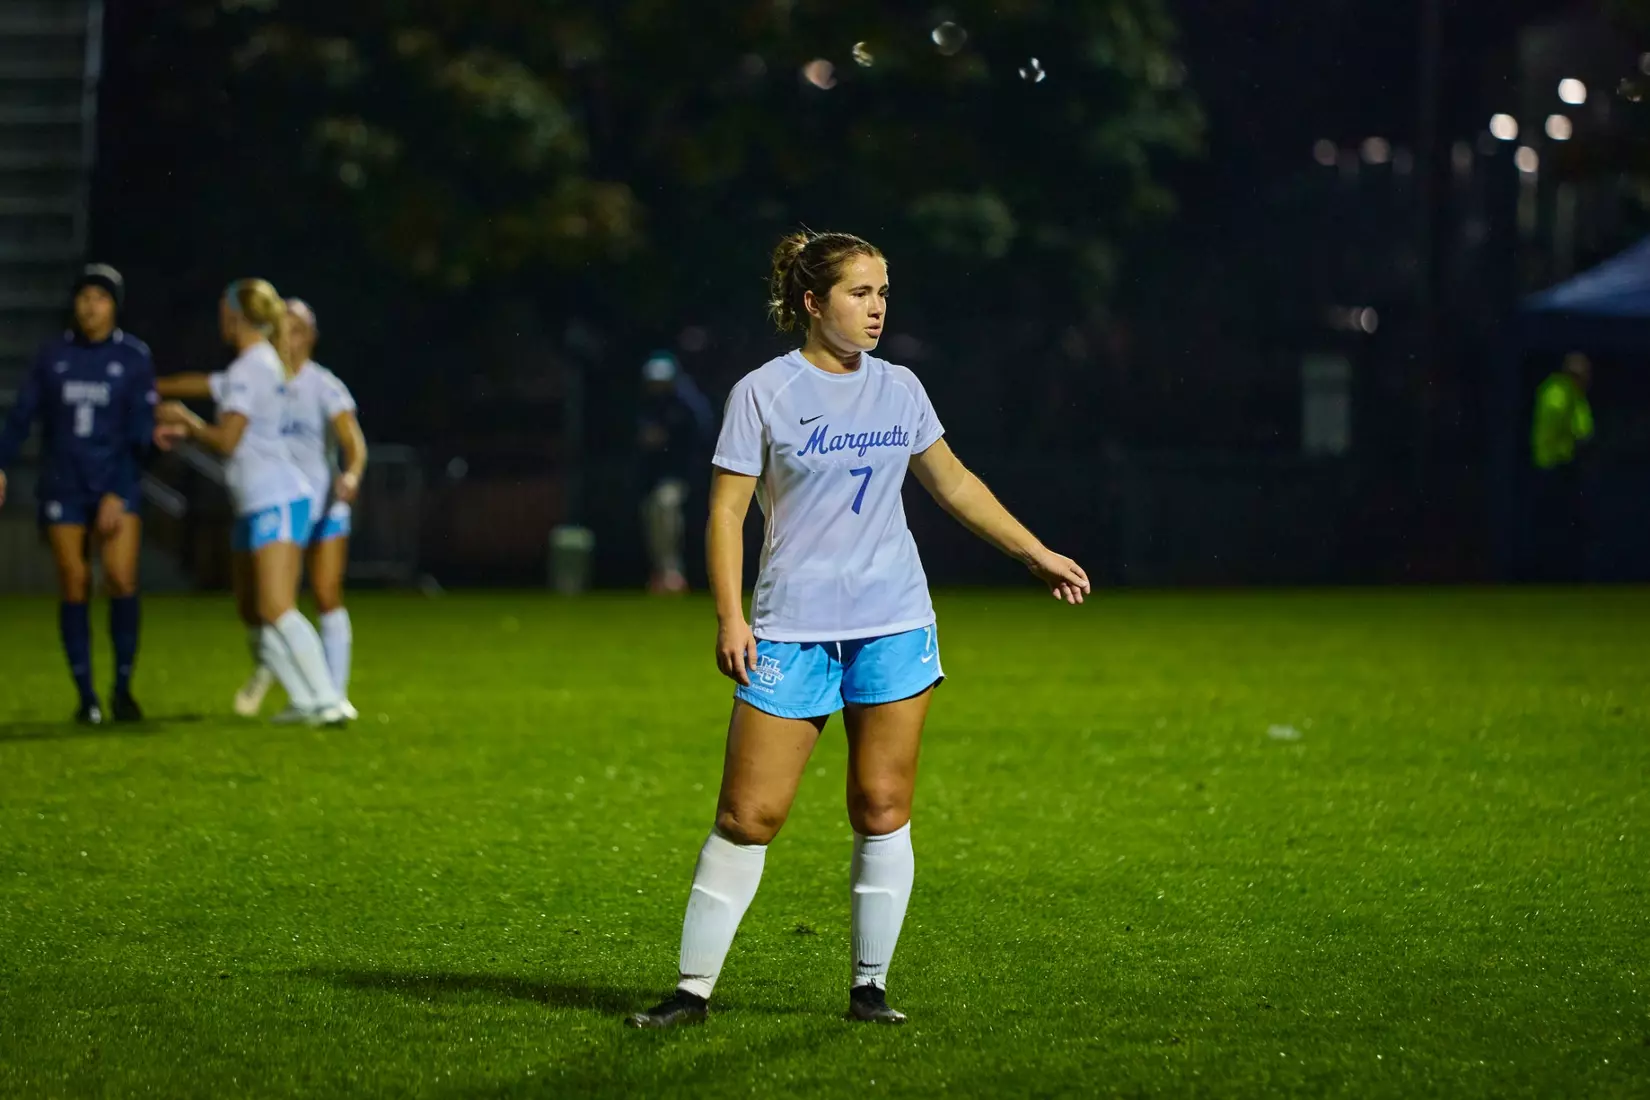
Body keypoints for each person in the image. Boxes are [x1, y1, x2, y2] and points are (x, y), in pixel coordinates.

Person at [627, 231, 1090, 1029]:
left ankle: (869, 991)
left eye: (883, 293)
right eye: (859, 293)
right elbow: (727, 513)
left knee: (881, 804)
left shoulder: (900, 387)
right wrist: (731, 615)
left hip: (894, 623)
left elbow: (953, 483)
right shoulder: (763, 392)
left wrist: (1034, 552)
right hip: (791, 629)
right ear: (813, 302)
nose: (877, 309)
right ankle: (691, 992)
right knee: (749, 816)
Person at [162, 300, 367, 718]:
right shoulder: (264, 375)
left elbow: (353, 440)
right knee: (256, 607)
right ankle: (303, 694)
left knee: (320, 594)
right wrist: (151, 386)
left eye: (296, 329)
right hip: (261, 501)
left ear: (311, 337)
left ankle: (333, 694)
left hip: (316, 504)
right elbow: (207, 384)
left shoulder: (322, 385)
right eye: (281, 327)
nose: (286, 337)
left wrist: (352, 474)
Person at [0, 264, 168, 723]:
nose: (91, 306)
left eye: (101, 298)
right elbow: (21, 416)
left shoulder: (133, 357)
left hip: (116, 482)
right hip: (64, 484)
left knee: (120, 578)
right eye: (84, 297)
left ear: (114, 306)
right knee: (74, 580)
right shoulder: (52, 356)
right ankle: (86, 696)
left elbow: (139, 432)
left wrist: (118, 490)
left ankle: (122, 689)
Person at [638, 349, 713, 593]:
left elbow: (702, 438)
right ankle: (662, 571)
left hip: (684, 476)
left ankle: (672, 572)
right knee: (653, 515)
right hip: (655, 477)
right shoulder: (648, 406)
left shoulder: (688, 404)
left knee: (665, 506)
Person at [1529, 352, 1595, 580]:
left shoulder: (1575, 396)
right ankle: (1546, 573)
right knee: (1551, 523)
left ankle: (1568, 573)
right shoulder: (1557, 393)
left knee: (1570, 523)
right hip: (1550, 467)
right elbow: (1570, 428)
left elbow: (1586, 429)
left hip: (1566, 467)